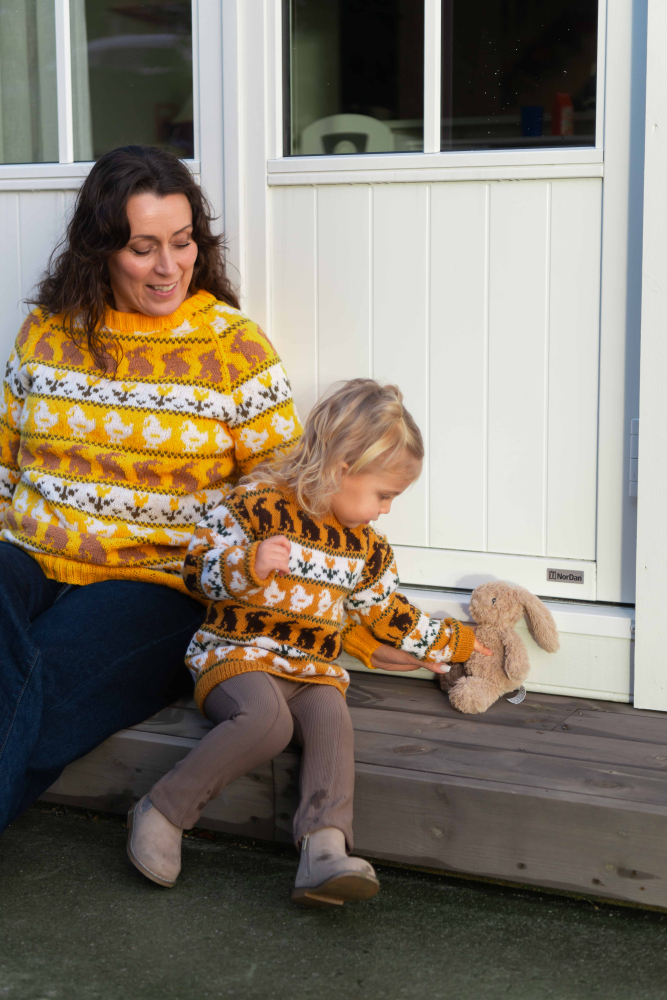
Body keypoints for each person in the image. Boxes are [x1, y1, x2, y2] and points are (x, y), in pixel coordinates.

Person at [0, 145, 306, 830]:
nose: (169, 266)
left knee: (39, 684)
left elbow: (280, 499)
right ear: (100, 250)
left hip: (155, 583)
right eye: (143, 248)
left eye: (182, 242)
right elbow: (6, 461)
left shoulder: (233, 349)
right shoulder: (45, 332)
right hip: (28, 554)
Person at [127, 379, 492, 906]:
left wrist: (457, 642)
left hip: (312, 669)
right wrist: (247, 566)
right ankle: (163, 809)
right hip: (237, 654)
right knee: (267, 722)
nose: (387, 510)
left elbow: (389, 614)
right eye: (384, 495)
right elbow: (194, 570)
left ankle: (324, 849)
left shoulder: (367, 549)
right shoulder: (255, 504)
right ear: (342, 469)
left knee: (332, 721)